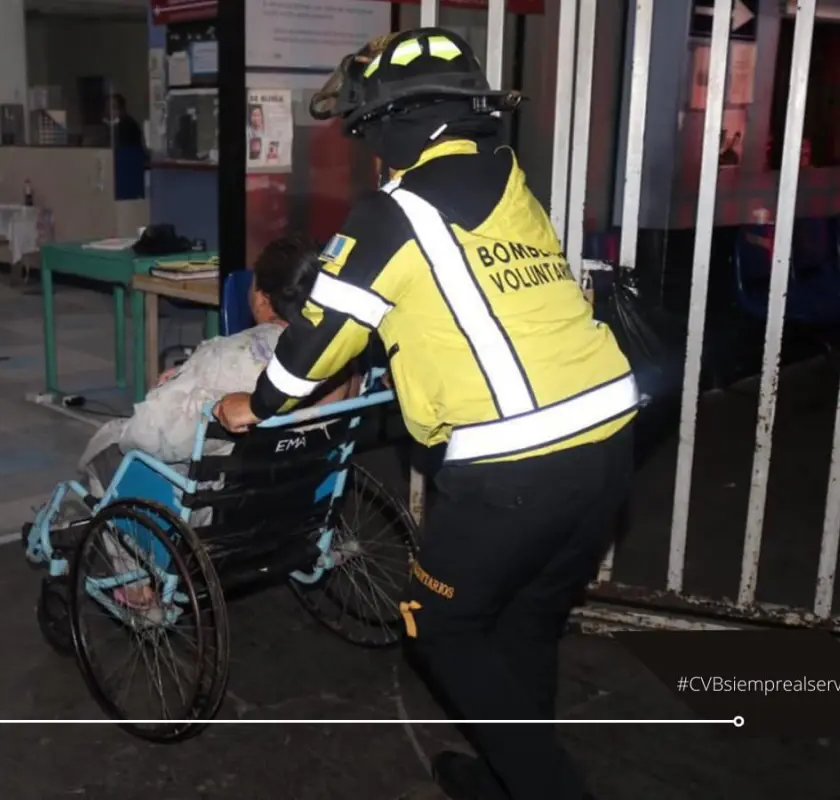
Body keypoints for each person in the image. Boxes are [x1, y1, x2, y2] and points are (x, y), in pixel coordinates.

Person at [214, 29, 638, 800]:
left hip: (517, 464)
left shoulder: (392, 212)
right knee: (526, 618)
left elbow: (317, 341)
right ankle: (508, 776)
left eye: (371, 132)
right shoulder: (511, 180)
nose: (373, 153)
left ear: (395, 127)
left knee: (436, 626)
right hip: (609, 436)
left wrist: (258, 403)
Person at [78, 235, 360, 494]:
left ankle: (115, 545)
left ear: (262, 297)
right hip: (298, 495)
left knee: (112, 446)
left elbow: (150, 436)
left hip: (215, 504)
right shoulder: (344, 361)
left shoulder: (227, 354)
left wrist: (174, 390)